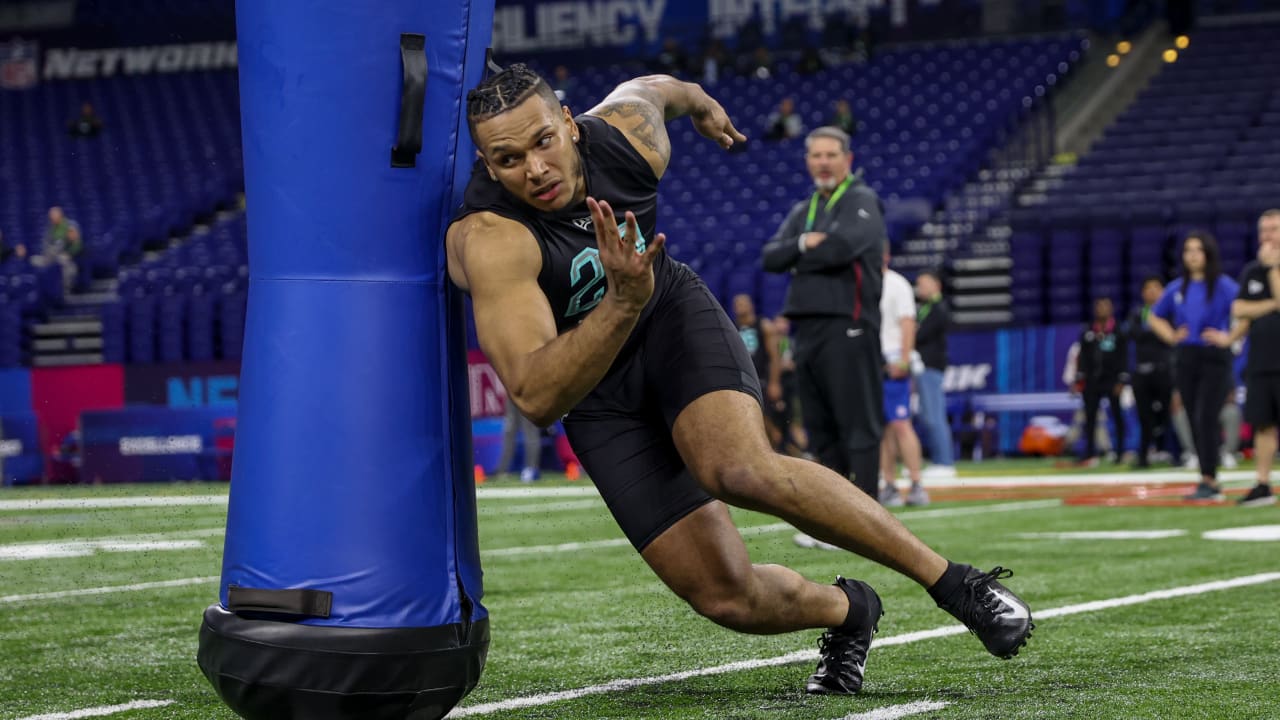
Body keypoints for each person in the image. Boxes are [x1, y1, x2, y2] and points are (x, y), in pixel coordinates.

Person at [447, 65, 1033, 697]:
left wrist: (699, 102)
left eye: (543, 141)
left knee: (737, 467)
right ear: (485, 162)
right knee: (727, 598)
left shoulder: (625, 136)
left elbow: (657, 89)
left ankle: (958, 584)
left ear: (570, 123)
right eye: (507, 158)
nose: (534, 169)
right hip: (596, 391)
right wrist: (617, 302)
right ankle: (851, 611)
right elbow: (536, 396)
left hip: (667, 320)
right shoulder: (491, 236)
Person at [762, 127, 884, 499]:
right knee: (820, 428)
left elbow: (842, 249)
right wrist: (803, 243)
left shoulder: (861, 198)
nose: (824, 163)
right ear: (807, 162)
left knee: (858, 425)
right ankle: (837, 522)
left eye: (831, 155)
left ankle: (871, 520)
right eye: (817, 156)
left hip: (849, 323)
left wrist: (799, 257)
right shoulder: (805, 210)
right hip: (808, 329)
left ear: (848, 159)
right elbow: (770, 257)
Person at [1147, 232, 1242, 501]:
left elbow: (1244, 311)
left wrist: (1230, 338)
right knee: (1192, 417)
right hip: (1186, 357)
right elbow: (1154, 316)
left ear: (1208, 254)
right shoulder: (1177, 288)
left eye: (1198, 250)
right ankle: (1206, 477)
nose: (1192, 255)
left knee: (1205, 416)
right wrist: (1171, 336)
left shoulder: (1223, 285)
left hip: (1214, 357)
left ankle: (1209, 478)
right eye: (1188, 250)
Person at [1229, 209, 1280, 506]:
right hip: (1261, 362)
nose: (1267, 236)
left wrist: (1274, 270)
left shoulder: (1267, 270)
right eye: (1263, 231)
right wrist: (1271, 304)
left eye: (1273, 229)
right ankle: (1262, 484)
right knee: (1263, 424)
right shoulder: (1251, 270)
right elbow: (1238, 310)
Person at [878, 247, 928, 507]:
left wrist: (904, 359)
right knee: (883, 427)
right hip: (874, 361)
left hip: (894, 357)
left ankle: (917, 484)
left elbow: (908, 322)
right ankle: (889, 484)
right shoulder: (865, 283)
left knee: (900, 423)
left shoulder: (897, 284)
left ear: (886, 255)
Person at [1125, 276, 1174, 468]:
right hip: (1142, 373)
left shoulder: (1170, 312)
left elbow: (1173, 336)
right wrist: (1159, 332)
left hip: (1164, 371)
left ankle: (1170, 452)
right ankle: (1144, 455)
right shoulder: (1138, 313)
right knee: (1144, 416)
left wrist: (1157, 331)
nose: (1152, 292)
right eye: (1148, 288)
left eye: (1156, 287)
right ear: (1143, 293)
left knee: (1166, 413)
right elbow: (1134, 333)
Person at [1076, 298, 1128, 465]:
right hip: (1092, 381)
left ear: (1111, 309)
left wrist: (1121, 379)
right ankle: (1090, 452)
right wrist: (1080, 377)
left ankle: (1120, 452)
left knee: (1117, 416)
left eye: (1106, 306)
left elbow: (1124, 356)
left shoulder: (1118, 331)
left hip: (1112, 380)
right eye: (1099, 306)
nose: (1102, 309)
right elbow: (1082, 357)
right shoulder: (1088, 331)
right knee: (1090, 417)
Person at [914, 269, 956, 477]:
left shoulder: (939, 308)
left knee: (934, 416)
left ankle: (945, 462)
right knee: (928, 414)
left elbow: (920, 335)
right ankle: (940, 460)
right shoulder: (926, 307)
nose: (919, 288)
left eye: (923, 284)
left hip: (930, 366)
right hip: (925, 366)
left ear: (935, 284)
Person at [733, 294, 787, 452]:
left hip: (762, 380)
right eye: (737, 304)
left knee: (770, 425)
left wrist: (774, 382)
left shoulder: (763, 326)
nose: (740, 307)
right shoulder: (733, 327)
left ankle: (778, 454)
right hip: (743, 382)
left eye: (743, 303)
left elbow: (774, 357)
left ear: (751, 305)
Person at [496, 385, 542, 482]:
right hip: (512, 392)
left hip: (528, 393)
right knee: (509, 432)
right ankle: (502, 471)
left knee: (530, 433)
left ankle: (531, 470)